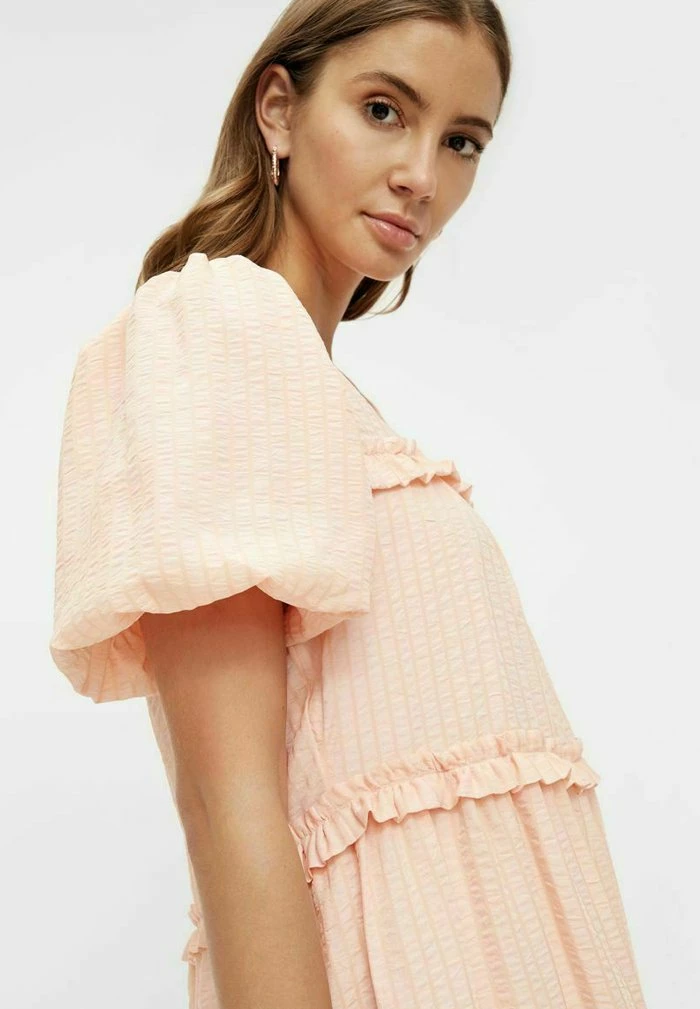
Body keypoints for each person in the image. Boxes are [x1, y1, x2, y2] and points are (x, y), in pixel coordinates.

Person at [48, 2, 649, 1008]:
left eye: (462, 141)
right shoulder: (221, 328)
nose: (423, 176)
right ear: (278, 110)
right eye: (383, 111)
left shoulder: (314, 391)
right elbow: (227, 805)